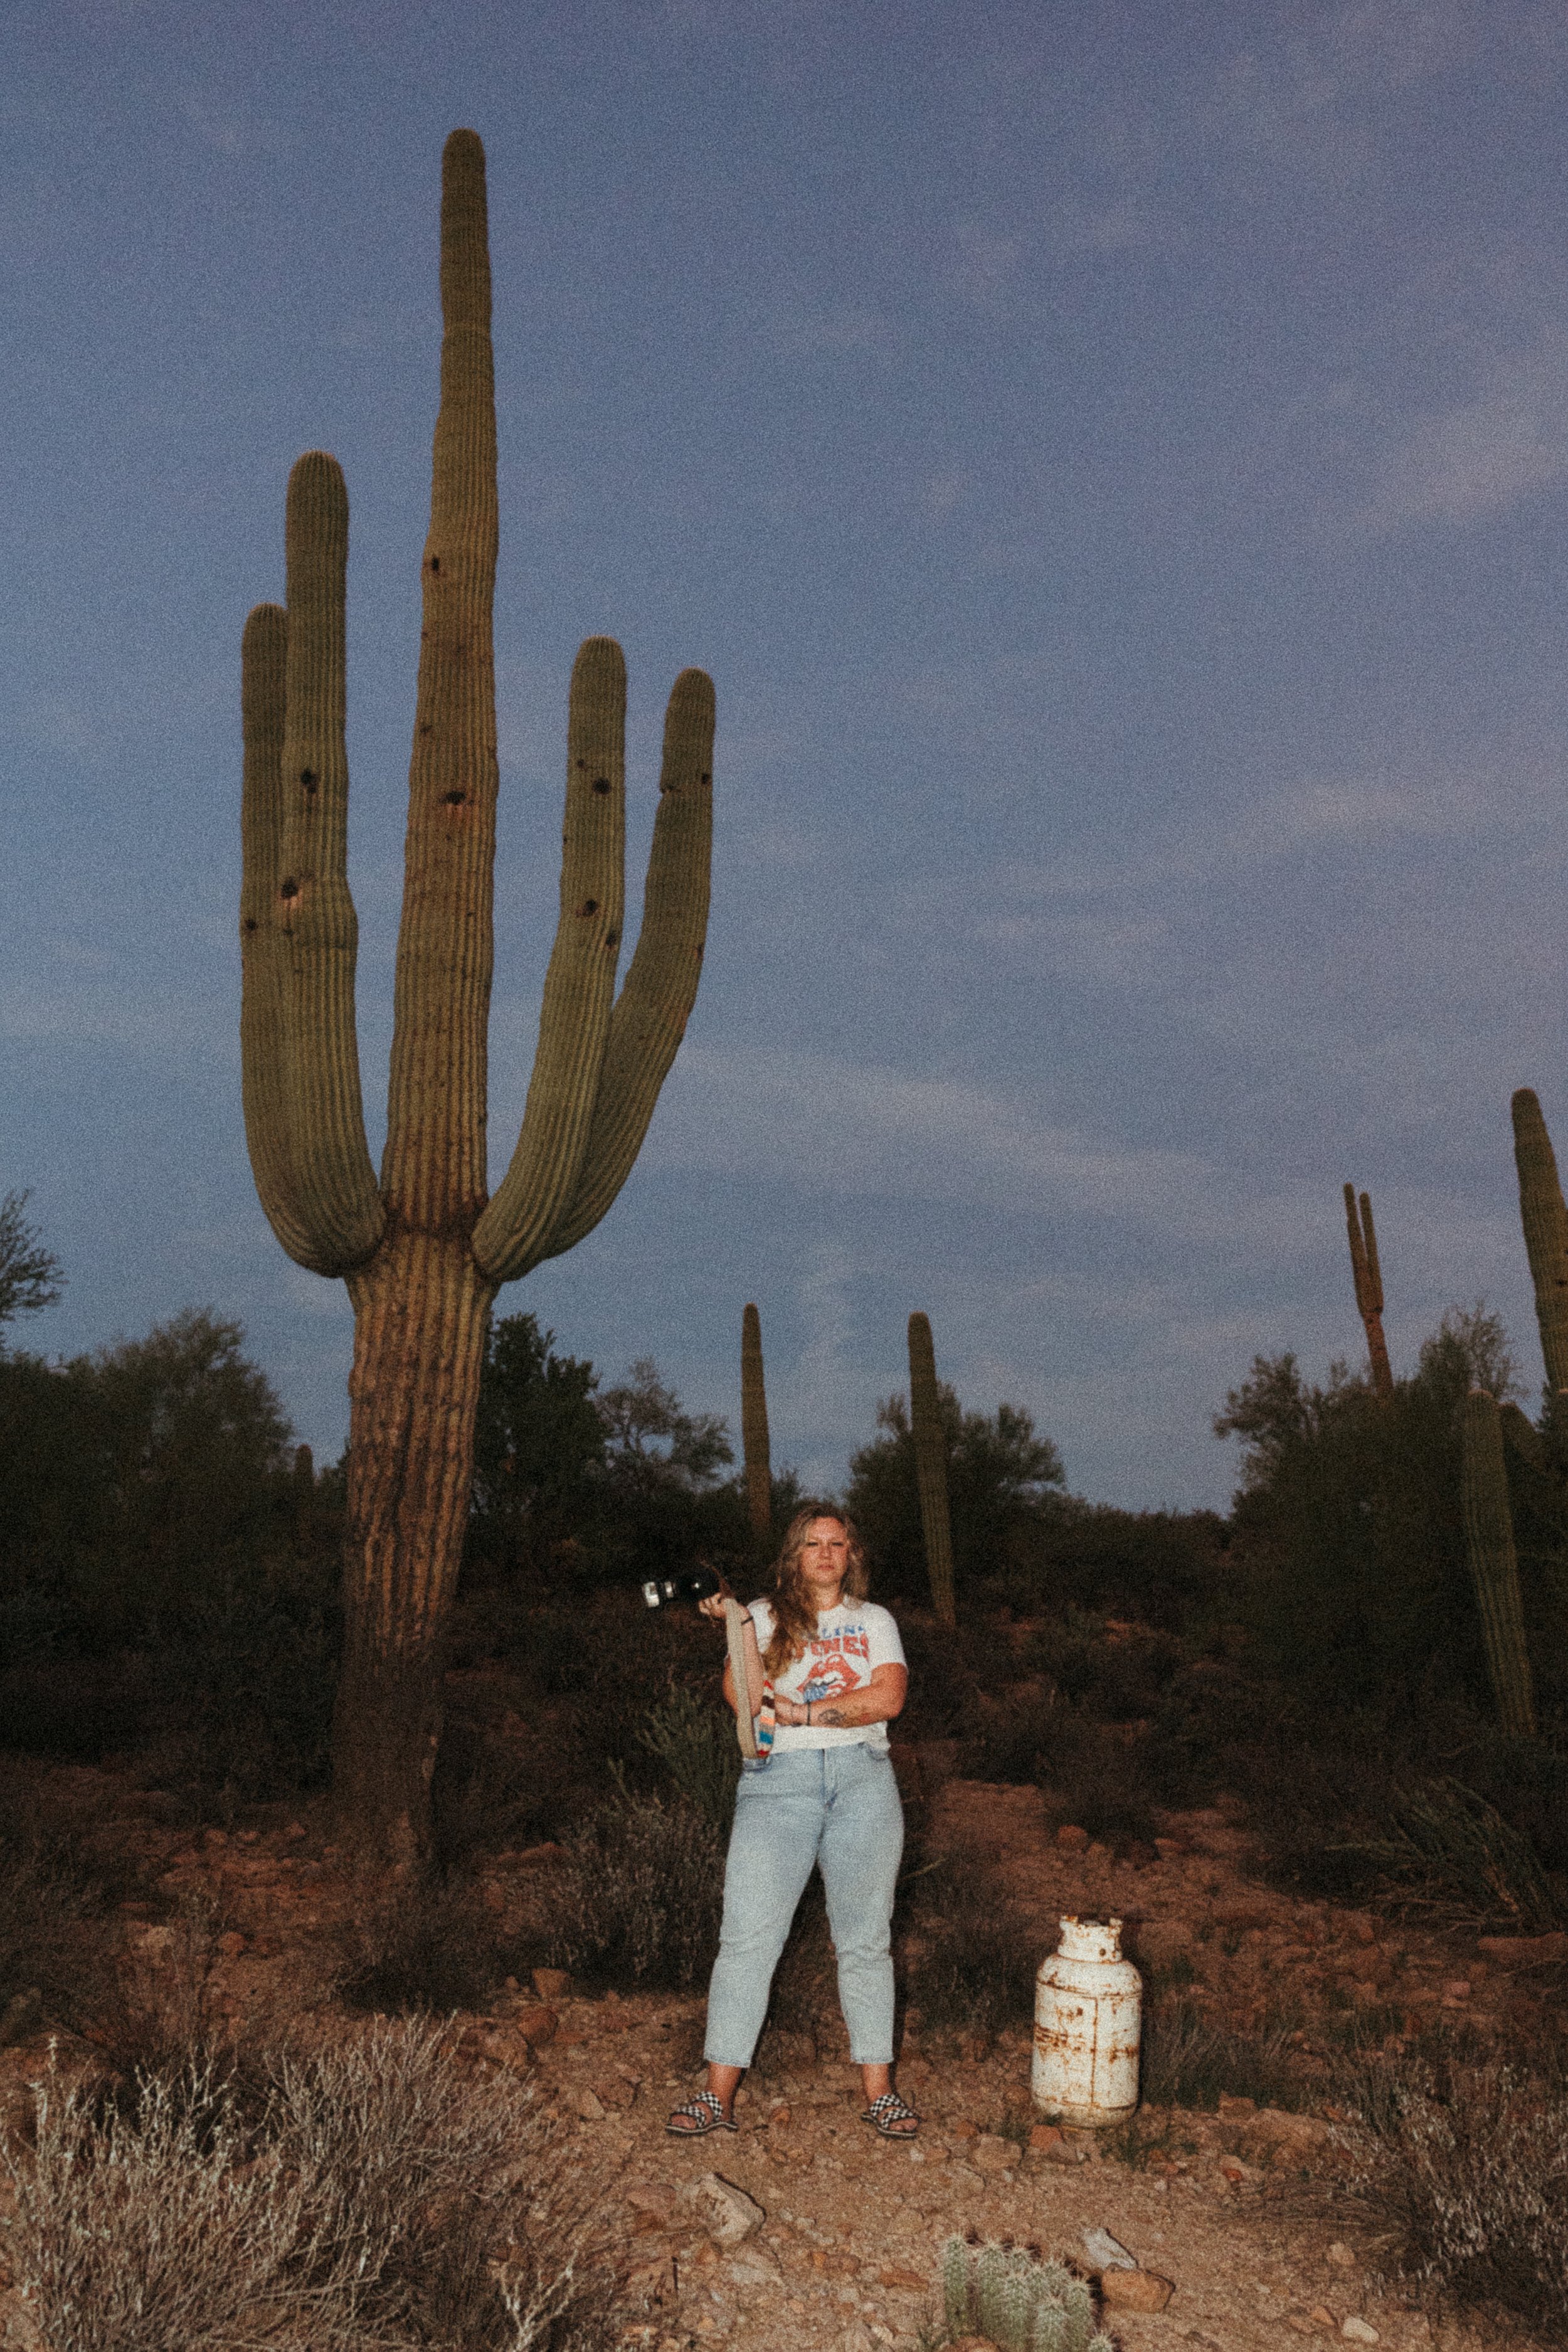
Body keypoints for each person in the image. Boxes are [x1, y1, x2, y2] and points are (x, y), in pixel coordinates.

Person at [666, 1503, 918, 2139]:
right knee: (748, 1939)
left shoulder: (875, 1621)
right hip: (778, 1787)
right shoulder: (763, 1615)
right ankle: (716, 2094)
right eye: (813, 1544)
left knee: (865, 1941)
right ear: (794, 1555)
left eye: (837, 1543)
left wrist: (804, 1714)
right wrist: (734, 1626)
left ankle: (880, 2092)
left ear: (851, 1554)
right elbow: (744, 1700)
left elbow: (886, 1697)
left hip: (863, 1780)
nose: (826, 1554)